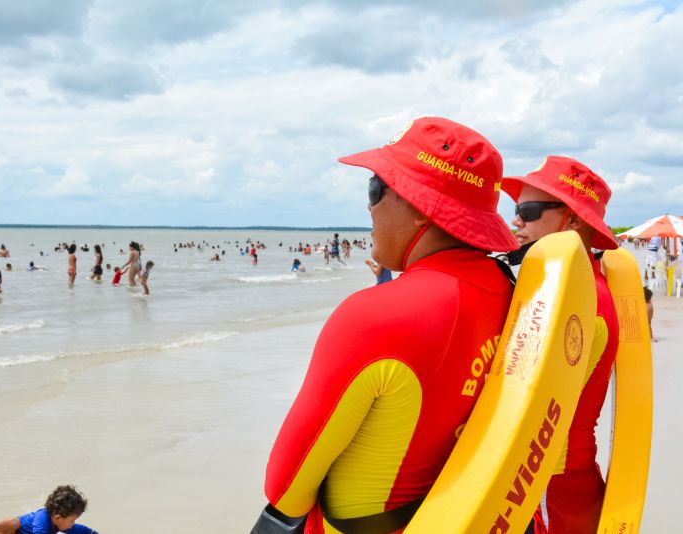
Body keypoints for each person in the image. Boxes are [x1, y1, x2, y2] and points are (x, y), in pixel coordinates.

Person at [254, 117, 519, 533]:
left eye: (376, 188)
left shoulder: (373, 317)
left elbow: (285, 487)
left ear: (419, 207)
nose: (369, 206)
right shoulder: (511, 292)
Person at [502, 155, 620, 533]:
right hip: (563, 478)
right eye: (516, 209)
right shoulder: (584, 283)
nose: (516, 220)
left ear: (572, 220)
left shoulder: (577, 297)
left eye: (529, 210)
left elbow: (529, 403)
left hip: (552, 482)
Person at [0, 484, 98, 534]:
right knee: (15, 522)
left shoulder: (61, 524)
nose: (73, 524)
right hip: (8, 533)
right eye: (72, 521)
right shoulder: (42, 516)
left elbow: (82, 531)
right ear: (58, 518)